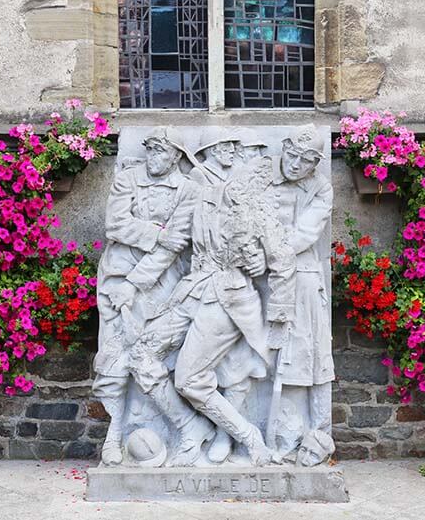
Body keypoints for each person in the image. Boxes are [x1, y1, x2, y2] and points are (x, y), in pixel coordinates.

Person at [131, 157, 296, 466]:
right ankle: (190, 426)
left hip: (229, 298)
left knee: (189, 380)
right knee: (140, 355)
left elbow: (283, 261)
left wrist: (279, 315)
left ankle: (248, 437)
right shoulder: (199, 199)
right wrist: (133, 283)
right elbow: (171, 245)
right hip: (192, 289)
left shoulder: (257, 210)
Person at [93, 127, 211, 466]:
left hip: (162, 283)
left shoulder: (189, 190)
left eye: (161, 152)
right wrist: (158, 233)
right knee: (113, 358)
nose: (153, 158)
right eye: (150, 150)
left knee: (150, 358)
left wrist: (136, 280)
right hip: (116, 277)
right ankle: (114, 434)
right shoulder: (128, 180)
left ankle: (181, 428)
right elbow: (115, 225)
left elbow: (175, 249)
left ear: (176, 155)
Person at [266, 126, 335, 455]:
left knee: (305, 351)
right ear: (283, 148)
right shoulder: (262, 173)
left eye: (305, 161)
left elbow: (305, 234)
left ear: (315, 164)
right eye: (291, 155)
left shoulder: (321, 189)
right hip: (254, 270)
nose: (294, 165)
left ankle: (306, 434)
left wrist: (266, 254)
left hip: (300, 272)